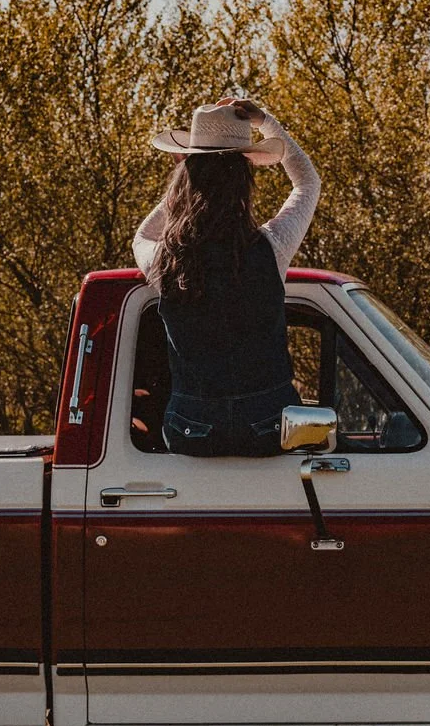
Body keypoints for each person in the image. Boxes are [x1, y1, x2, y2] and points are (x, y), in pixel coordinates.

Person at [132, 94, 321, 457]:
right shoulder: (272, 247)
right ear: (244, 181)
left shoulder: (165, 260)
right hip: (268, 427)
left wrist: (185, 184)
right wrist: (265, 121)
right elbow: (307, 183)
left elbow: (143, 235)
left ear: (185, 177)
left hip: (192, 430)